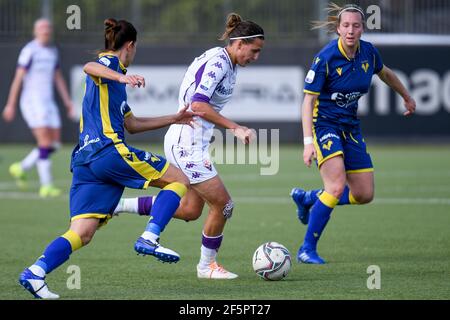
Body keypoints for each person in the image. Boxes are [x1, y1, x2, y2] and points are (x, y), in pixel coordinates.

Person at [18, 18, 200, 299]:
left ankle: (36, 272)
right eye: (135, 48)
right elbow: (89, 67)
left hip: (86, 164)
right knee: (180, 181)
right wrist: (121, 75)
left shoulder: (115, 85)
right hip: (108, 152)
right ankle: (150, 237)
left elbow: (133, 124)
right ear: (130, 45)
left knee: (83, 232)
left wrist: (174, 118)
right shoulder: (110, 65)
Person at [114, 13, 264, 279]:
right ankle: (207, 267)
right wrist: (235, 127)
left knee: (190, 210)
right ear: (239, 44)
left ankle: (118, 205)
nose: (256, 57)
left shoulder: (227, 63)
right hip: (187, 143)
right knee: (224, 205)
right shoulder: (219, 62)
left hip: (191, 141)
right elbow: (198, 104)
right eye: (254, 50)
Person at [290, 3, 416, 264]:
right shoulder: (325, 58)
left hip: (350, 127)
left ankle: (308, 198)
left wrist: (406, 96)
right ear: (338, 29)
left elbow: (385, 73)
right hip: (324, 125)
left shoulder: (368, 52)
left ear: (362, 28)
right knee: (335, 187)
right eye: (345, 25)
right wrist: (307, 142)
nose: (350, 30)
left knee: (363, 194)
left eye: (355, 25)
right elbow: (307, 102)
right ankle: (306, 249)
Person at [3, 18, 75, 197]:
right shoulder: (29, 51)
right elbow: (18, 78)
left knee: (55, 143)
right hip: (32, 102)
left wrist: (67, 102)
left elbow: (57, 78)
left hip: (48, 102)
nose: (45, 31)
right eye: (42, 28)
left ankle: (22, 167)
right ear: (35, 31)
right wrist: (10, 104)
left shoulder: (52, 51)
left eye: (48, 28)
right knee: (44, 141)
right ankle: (46, 185)